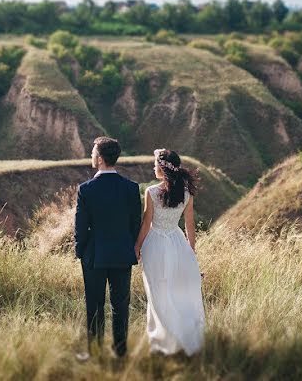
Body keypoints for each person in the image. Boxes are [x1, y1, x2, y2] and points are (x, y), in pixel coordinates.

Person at [74, 136, 142, 359]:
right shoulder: (131, 188)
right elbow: (135, 224)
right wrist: (131, 246)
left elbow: (81, 227)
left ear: (100, 159)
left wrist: (79, 250)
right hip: (123, 252)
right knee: (120, 305)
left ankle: (94, 353)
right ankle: (120, 351)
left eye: (93, 152)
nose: (91, 155)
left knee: (94, 305)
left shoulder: (86, 189)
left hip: (94, 255)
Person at [134, 148, 205, 356]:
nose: (153, 167)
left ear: (163, 168)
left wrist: (137, 246)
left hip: (154, 245)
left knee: (157, 294)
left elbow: (146, 224)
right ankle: (178, 339)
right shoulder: (186, 193)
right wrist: (190, 253)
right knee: (176, 293)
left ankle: (161, 342)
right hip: (177, 244)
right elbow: (189, 225)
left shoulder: (152, 192)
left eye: (155, 164)